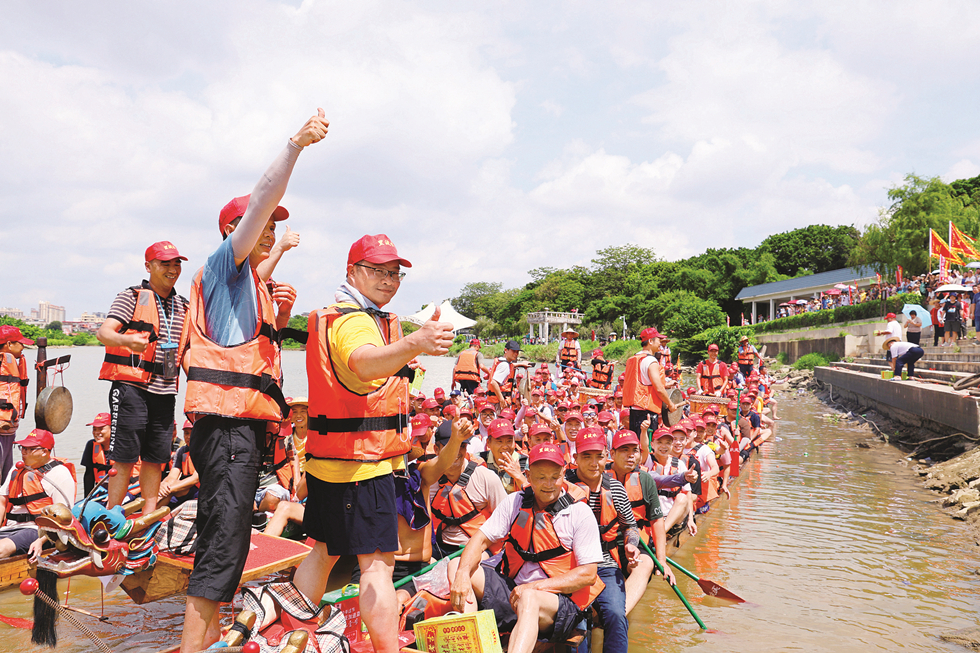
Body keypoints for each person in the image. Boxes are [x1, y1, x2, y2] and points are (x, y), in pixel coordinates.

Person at [178, 110, 329, 653]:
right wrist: (296, 146)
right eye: (261, 225)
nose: (268, 229)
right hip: (228, 431)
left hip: (236, 433)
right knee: (222, 550)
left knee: (229, 544)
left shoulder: (243, 285)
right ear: (232, 232)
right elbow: (263, 199)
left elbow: (259, 287)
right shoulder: (223, 265)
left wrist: (280, 254)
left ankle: (204, 641)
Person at [292, 231, 455, 653]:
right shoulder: (354, 321)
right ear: (352, 272)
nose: (388, 280)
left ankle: (290, 631)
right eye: (377, 270)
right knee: (378, 565)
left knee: (324, 551)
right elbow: (363, 363)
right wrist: (415, 342)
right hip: (364, 465)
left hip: (330, 462)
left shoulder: (348, 316)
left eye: (395, 273)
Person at [448, 443, 604, 653]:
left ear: (563, 473)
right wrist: (462, 574)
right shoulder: (515, 501)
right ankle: (472, 646)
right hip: (514, 591)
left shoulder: (580, 513)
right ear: (528, 476)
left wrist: (535, 587)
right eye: (541, 477)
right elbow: (481, 539)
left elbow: (588, 574)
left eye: (555, 477)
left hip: (558, 603)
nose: (549, 484)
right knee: (456, 565)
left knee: (529, 598)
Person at [97, 240, 189, 515]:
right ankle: (112, 516)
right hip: (131, 388)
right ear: (148, 266)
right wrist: (127, 341)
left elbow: (188, 352)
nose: (172, 269)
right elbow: (104, 333)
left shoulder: (184, 306)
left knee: (156, 458)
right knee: (124, 457)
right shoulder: (132, 297)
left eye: (177, 263)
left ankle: (149, 516)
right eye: (165, 263)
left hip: (165, 391)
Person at [565, 428, 653, 652]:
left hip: (605, 563)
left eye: (599, 456)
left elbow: (630, 526)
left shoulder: (615, 488)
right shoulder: (563, 487)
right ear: (575, 458)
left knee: (615, 614)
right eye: (587, 456)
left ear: (607, 457)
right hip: (569, 564)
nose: (594, 463)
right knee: (575, 619)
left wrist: (631, 543)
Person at [430, 420, 508, 560]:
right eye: (449, 446)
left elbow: (505, 520)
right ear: (436, 449)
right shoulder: (428, 479)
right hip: (439, 547)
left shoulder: (486, 477)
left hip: (478, 549)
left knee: (458, 567)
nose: (456, 451)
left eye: (461, 445)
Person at [0, 429, 76, 560]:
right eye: (23, 448)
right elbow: (2, 502)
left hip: (37, 530)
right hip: (9, 528)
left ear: (44, 452)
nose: (24, 452)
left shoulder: (59, 474)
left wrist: (41, 541)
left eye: (29, 449)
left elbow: (64, 519)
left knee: (1, 549)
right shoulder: (16, 469)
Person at [623, 328, 679, 437]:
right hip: (647, 414)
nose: (660, 343)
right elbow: (658, 388)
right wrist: (670, 404)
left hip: (634, 411)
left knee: (637, 444)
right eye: (658, 340)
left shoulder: (635, 358)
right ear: (650, 341)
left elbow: (642, 383)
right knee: (648, 445)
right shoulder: (651, 360)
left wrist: (666, 385)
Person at [0, 325, 33, 482]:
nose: (23, 346)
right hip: (1, 429)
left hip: (8, 432)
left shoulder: (9, 363)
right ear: (8, 344)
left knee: (6, 480)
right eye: (20, 343)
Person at [489, 340, 531, 409]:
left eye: (517, 352)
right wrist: (502, 400)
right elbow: (494, 382)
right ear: (506, 350)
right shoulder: (504, 365)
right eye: (513, 351)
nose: (516, 354)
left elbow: (510, 365)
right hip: (498, 403)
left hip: (493, 401)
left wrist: (521, 364)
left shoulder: (502, 361)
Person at [80, 413, 112, 496]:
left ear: (112, 429)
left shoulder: (122, 446)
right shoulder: (91, 445)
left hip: (123, 491)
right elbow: (88, 476)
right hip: (102, 491)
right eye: (94, 429)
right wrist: (87, 499)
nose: (97, 432)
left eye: (101, 429)